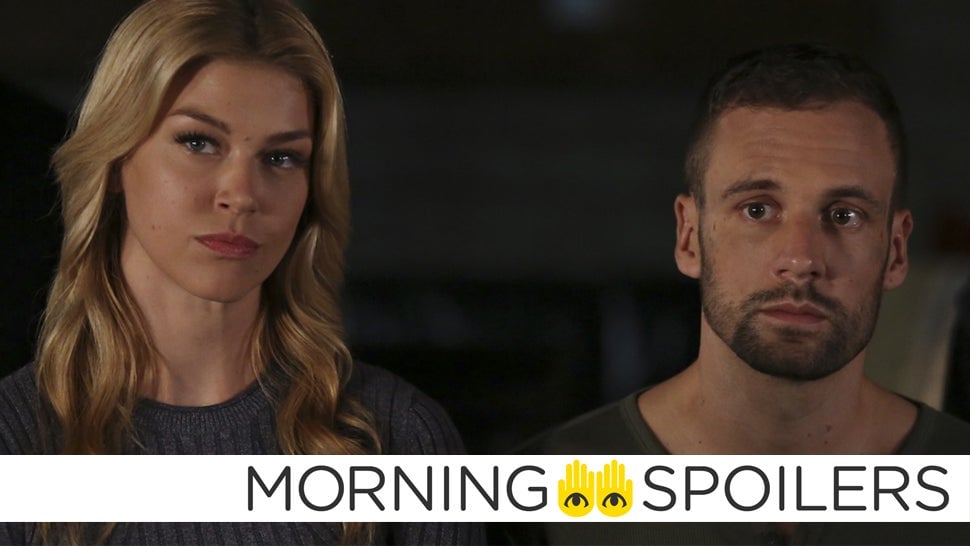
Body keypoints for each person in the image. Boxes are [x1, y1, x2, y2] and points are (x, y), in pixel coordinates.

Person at [0, 1, 484, 544]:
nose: (242, 195)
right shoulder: (16, 442)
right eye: (198, 142)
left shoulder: (397, 438)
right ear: (115, 158)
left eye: (281, 158)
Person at [510, 44, 970, 545]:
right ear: (690, 237)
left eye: (845, 215)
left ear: (896, 252)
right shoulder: (544, 495)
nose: (801, 259)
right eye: (757, 210)